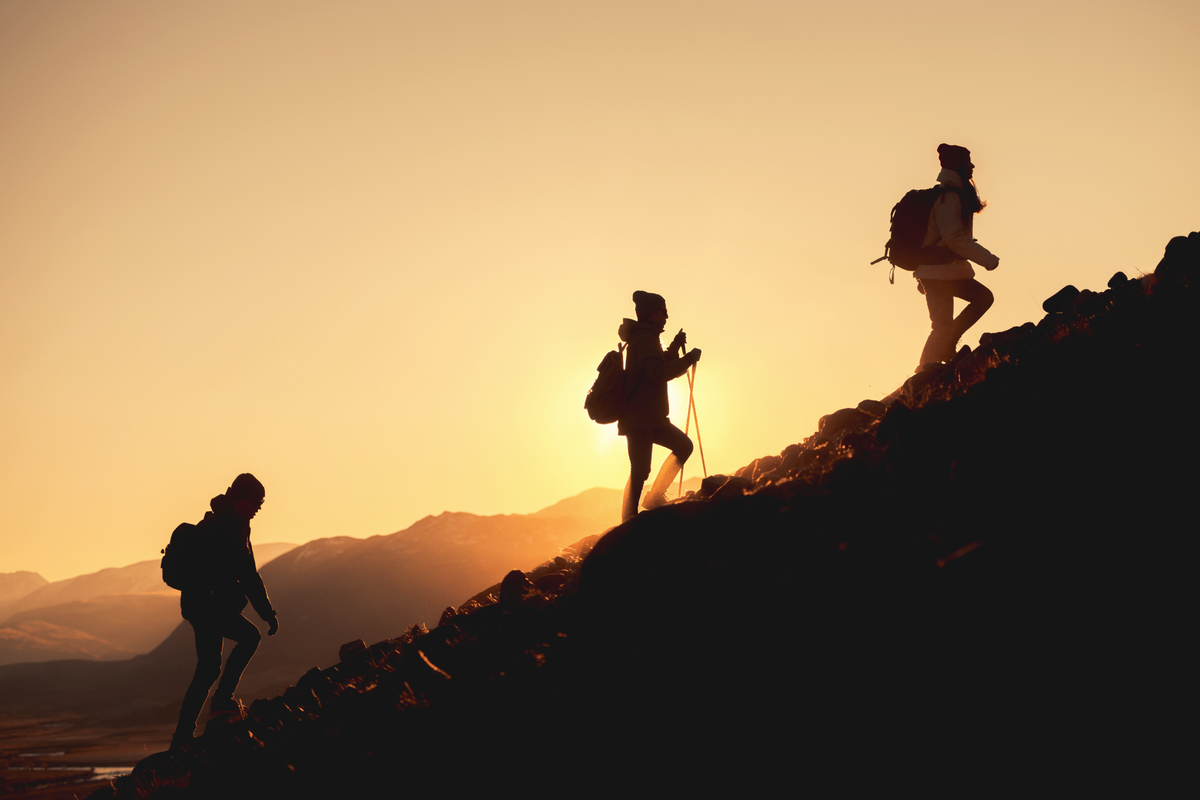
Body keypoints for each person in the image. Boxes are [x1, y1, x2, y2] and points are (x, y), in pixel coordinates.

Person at [172, 473, 279, 749]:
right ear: (242, 499)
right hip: (206, 606)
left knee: (207, 669)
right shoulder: (217, 527)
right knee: (249, 638)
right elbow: (207, 572)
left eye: (262, 502)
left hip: (207, 607)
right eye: (257, 501)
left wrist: (267, 612)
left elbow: (249, 576)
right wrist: (210, 603)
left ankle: (182, 737)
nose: (259, 507)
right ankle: (221, 702)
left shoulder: (239, 527)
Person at [914, 143, 1000, 370]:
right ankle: (924, 372)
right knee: (942, 326)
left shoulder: (955, 194)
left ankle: (943, 350)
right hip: (937, 272)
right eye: (968, 162)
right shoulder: (949, 197)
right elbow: (954, 238)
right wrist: (987, 259)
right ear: (959, 165)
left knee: (981, 299)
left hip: (947, 271)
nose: (972, 166)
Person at [617, 291, 702, 521]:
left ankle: (652, 498)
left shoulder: (647, 337)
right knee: (640, 470)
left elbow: (657, 364)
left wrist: (674, 347)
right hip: (639, 418)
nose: (666, 315)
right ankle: (628, 520)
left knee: (682, 447)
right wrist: (687, 359)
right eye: (662, 311)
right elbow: (656, 373)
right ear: (651, 314)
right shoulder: (644, 338)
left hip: (650, 417)